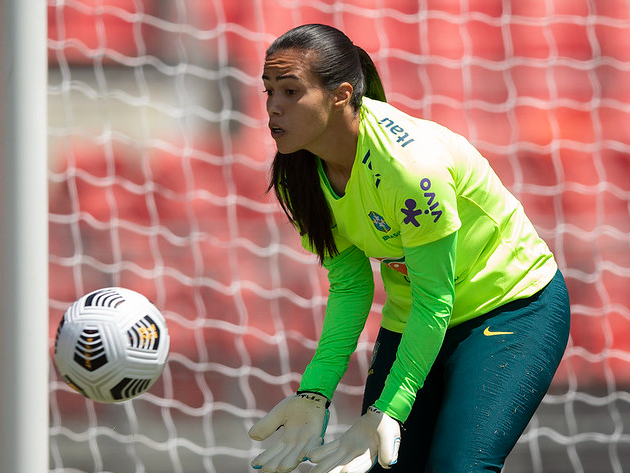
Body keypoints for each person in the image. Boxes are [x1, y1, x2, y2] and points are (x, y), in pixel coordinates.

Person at [248, 23, 571, 473]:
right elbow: (350, 284)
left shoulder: (410, 170)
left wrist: (389, 409)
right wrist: (314, 393)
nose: (272, 109)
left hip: (509, 308)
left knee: (457, 468)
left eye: (290, 92)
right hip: (414, 318)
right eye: (268, 92)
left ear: (341, 94)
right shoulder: (296, 173)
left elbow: (437, 300)